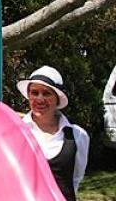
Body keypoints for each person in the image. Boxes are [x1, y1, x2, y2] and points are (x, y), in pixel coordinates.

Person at [17, 65, 90, 201]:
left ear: (57, 98)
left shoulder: (78, 135)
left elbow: (76, 179)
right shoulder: (16, 131)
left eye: (46, 93)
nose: (39, 99)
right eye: (34, 92)